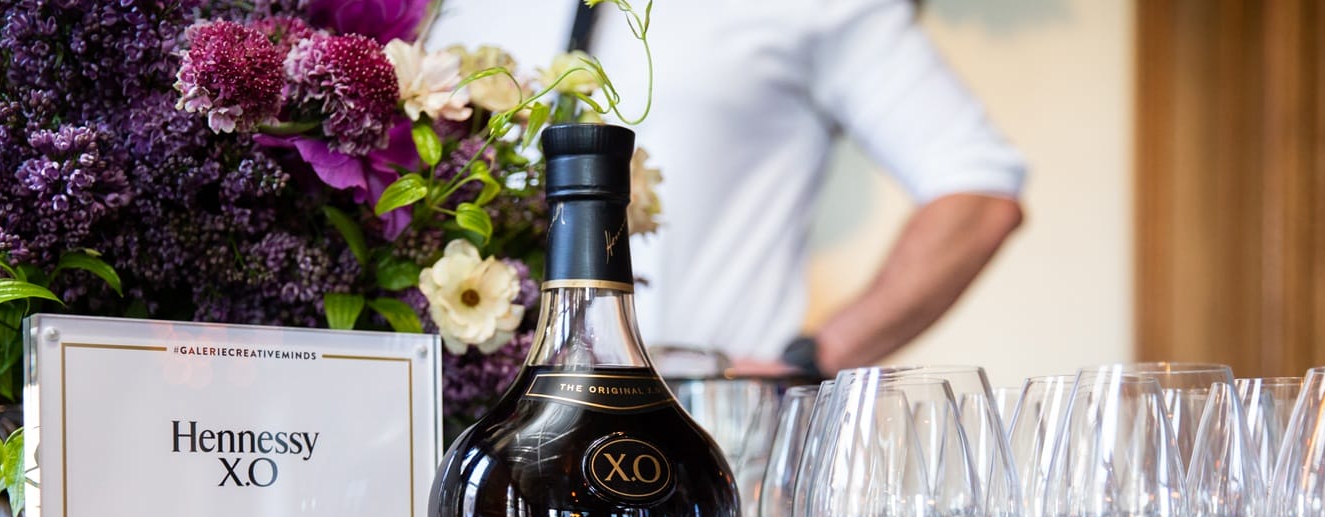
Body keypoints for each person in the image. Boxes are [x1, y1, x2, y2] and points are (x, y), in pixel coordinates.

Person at [424, 0, 1025, 377]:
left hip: (706, 457)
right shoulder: (451, 11)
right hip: (484, 443)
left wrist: (815, 359)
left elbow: (979, 186)